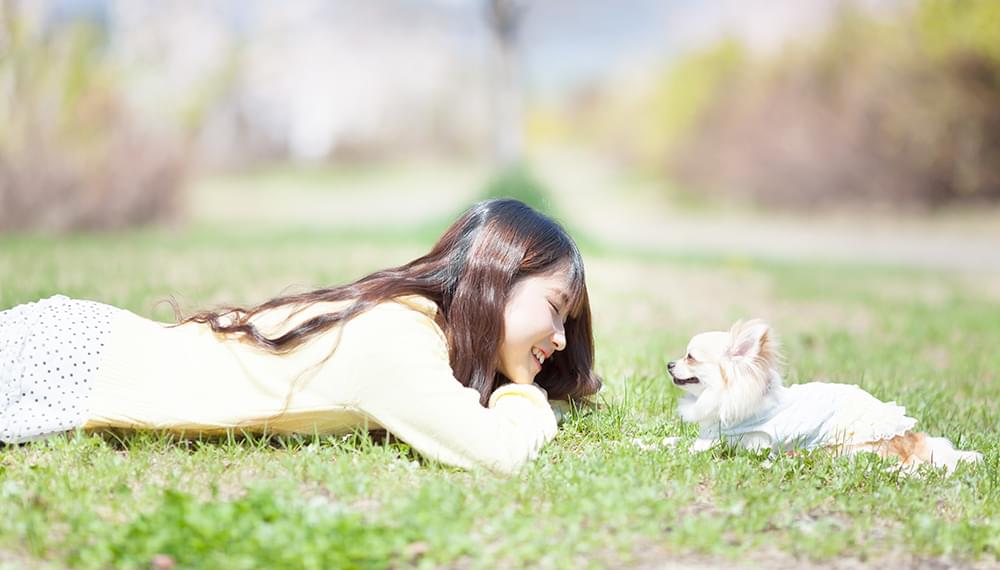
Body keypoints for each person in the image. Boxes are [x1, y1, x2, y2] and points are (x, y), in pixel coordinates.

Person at [0, 199, 601, 474]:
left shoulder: (412, 326)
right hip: (71, 363)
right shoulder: (396, 340)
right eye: (554, 309)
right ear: (497, 276)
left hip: (85, 345)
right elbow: (496, 452)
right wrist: (523, 395)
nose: (555, 337)